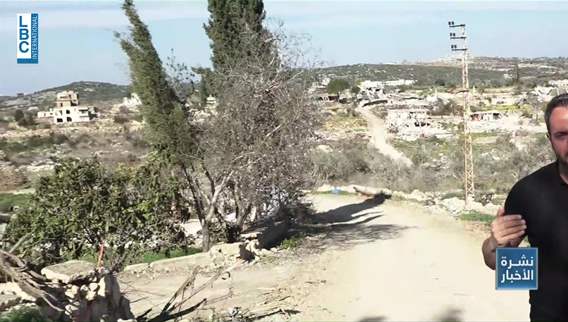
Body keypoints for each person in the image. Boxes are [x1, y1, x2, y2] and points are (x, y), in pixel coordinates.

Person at [482, 93, 568, 321]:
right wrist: (495, 245)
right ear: (550, 138)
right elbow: (499, 264)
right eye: (562, 135)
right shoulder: (529, 191)